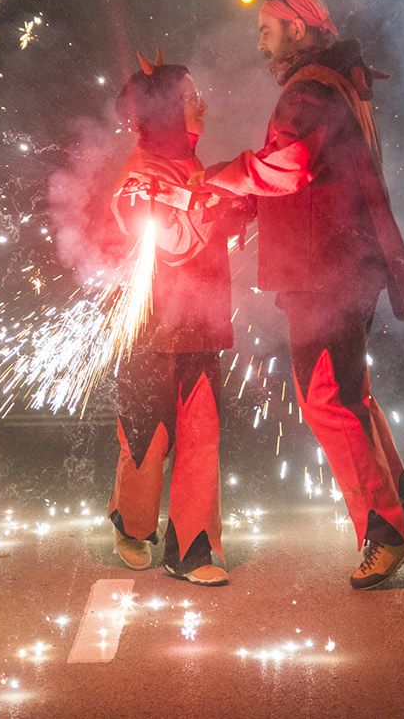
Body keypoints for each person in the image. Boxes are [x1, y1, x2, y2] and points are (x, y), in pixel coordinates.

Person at [204, 0, 404, 589]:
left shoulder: (309, 89)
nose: (259, 40)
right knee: (346, 394)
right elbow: (312, 174)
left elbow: (287, 167)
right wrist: (243, 204)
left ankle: (386, 530)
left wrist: (217, 180)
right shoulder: (336, 81)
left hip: (325, 270)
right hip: (341, 265)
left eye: (267, 28)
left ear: (299, 29)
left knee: (327, 400)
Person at [106, 52, 246, 586]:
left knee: (202, 431)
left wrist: (233, 206)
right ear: (167, 109)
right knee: (150, 432)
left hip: (201, 323)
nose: (202, 103)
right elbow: (172, 238)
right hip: (151, 326)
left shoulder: (188, 164)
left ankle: (193, 548)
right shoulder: (140, 171)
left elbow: (204, 226)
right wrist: (216, 202)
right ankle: (133, 525)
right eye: (190, 96)